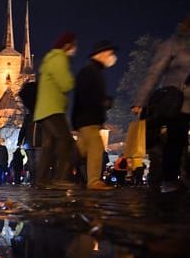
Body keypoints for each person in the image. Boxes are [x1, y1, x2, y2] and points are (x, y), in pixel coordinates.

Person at [132, 14, 190, 193]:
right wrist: (141, 100)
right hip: (177, 102)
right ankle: (170, 180)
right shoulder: (173, 44)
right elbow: (154, 73)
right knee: (176, 140)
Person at [72, 40, 119, 190]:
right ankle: (93, 181)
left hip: (86, 119)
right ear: (101, 54)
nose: (112, 57)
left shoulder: (93, 71)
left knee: (79, 152)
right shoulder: (91, 72)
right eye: (110, 53)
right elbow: (86, 96)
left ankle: (58, 173)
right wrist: (103, 103)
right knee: (96, 148)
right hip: (88, 119)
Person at [33, 32, 77, 189]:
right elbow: (66, 84)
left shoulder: (49, 59)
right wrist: (73, 80)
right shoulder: (59, 58)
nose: (75, 49)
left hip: (43, 110)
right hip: (53, 109)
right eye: (74, 45)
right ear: (67, 45)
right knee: (66, 140)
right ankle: (60, 178)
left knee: (48, 146)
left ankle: (41, 180)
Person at [18, 80, 41, 185]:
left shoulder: (30, 116)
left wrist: (20, 141)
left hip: (34, 142)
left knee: (35, 162)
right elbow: (23, 129)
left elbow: (23, 129)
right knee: (33, 163)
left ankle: (36, 180)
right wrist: (19, 141)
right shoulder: (30, 116)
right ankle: (34, 180)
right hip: (31, 143)